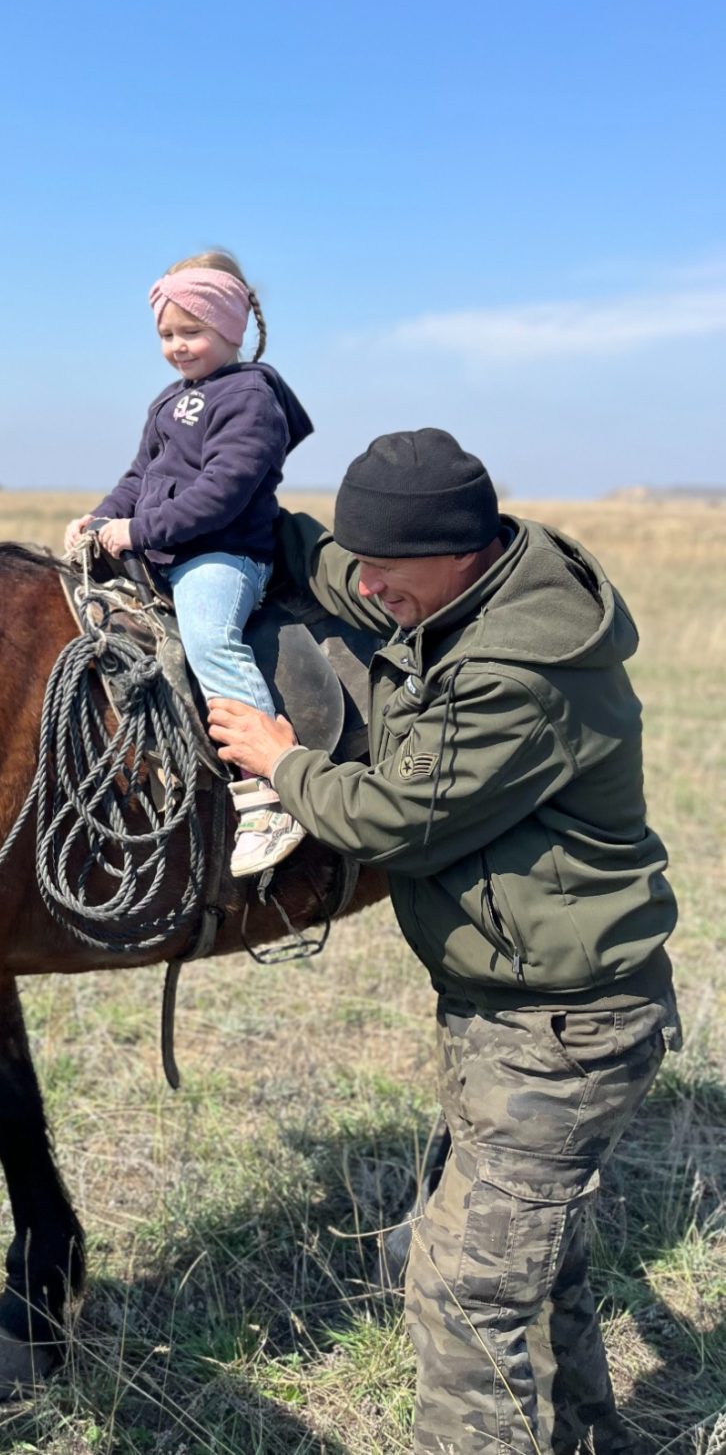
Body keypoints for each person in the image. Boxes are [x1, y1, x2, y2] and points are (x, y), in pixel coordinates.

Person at [206, 428, 679, 1455]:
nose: (369, 587)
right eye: (362, 562)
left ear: (458, 551)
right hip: (511, 1011)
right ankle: (592, 1440)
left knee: (463, 1296)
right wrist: (261, 527)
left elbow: (393, 820)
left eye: (390, 568)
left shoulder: (519, 670)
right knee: (536, 1269)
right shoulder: (467, 579)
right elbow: (343, 565)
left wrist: (280, 760)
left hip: (564, 1026)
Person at [63, 250, 314, 875]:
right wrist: (100, 521)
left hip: (222, 555)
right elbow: (138, 476)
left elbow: (223, 491)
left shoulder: (251, 396)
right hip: (162, 549)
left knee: (209, 640)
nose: (177, 346)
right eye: (166, 335)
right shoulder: (168, 401)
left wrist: (139, 530)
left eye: (191, 332)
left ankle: (268, 792)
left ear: (231, 329)